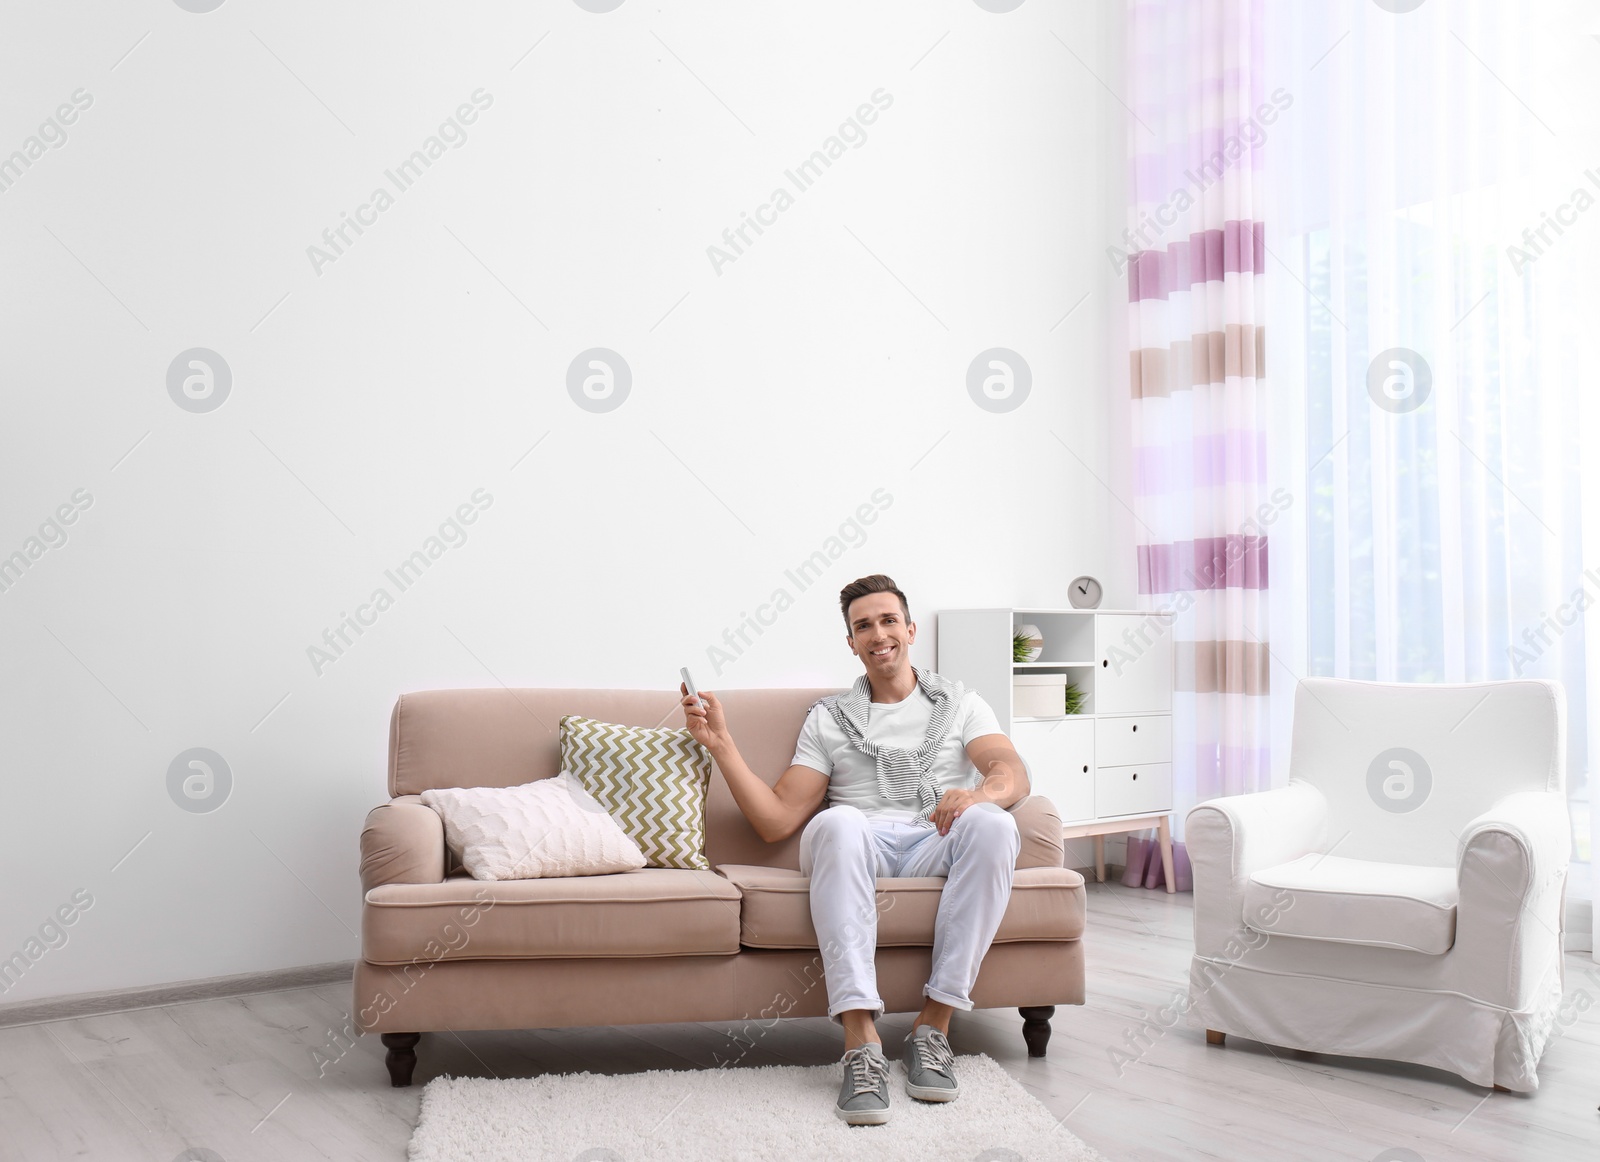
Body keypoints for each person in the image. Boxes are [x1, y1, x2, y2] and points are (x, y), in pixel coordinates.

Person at [680, 573, 1029, 1126]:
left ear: (910, 630)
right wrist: (722, 745)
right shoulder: (829, 717)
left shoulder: (961, 704)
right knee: (839, 820)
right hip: (856, 840)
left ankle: (932, 1029)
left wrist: (979, 794)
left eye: (889, 620)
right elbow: (775, 821)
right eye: (863, 625)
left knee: (995, 826)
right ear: (851, 642)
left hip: (933, 837)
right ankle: (859, 1042)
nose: (878, 633)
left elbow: (1012, 775)